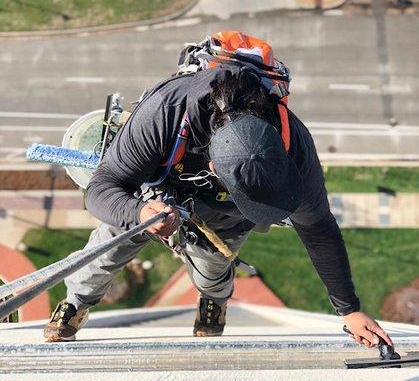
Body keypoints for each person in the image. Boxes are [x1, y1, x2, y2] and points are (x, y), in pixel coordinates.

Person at [44, 31, 393, 349]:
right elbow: (102, 188)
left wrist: (349, 310)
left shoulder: (295, 148)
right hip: (157, 193)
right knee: (108, 246)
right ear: (213, 168)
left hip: (225, 213)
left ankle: (213, 298)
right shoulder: (163, 115)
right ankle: (76, 302)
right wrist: (139, 213)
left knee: (213, 266)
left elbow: (317, 228)